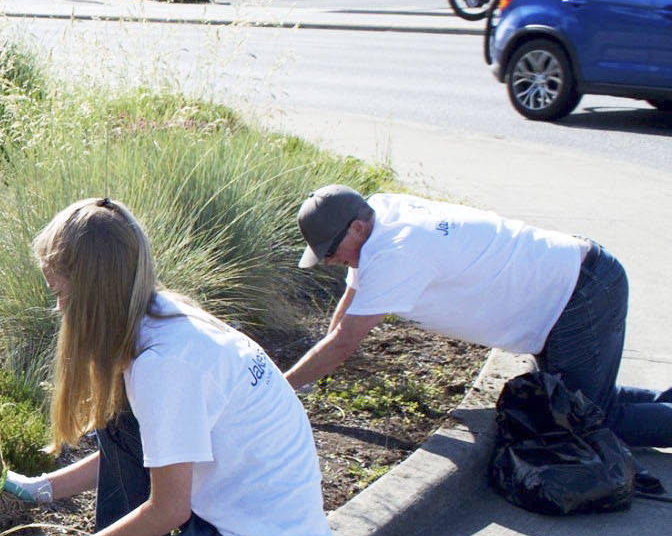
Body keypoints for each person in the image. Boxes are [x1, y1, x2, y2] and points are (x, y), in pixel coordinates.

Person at [0, 199, 331, 536]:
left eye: (62, 295)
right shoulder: (163, 317)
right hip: (234, 529)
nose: (59, 310)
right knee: (118, 423)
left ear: (94, 293)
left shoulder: (166, 364)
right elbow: (146, 450)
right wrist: (45, 488)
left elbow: (170, 508)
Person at [284, 186, 669, 447]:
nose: (331, 262)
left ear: (356, 227)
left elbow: (345, 342)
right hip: (572, 283)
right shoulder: (379, 214)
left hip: (578, 294)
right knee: (590, 397)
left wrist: (281, 390)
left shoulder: (396, 253)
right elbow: (348, 308)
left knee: (586, 418)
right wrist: (307, 377)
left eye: (331, 252)